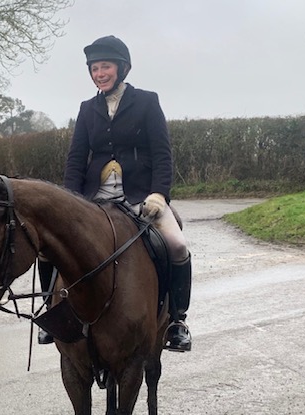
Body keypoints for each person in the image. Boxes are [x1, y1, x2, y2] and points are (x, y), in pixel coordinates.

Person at [56, 34, 192, 352]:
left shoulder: (146, 101)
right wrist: (69, 200)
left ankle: (176, 321)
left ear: (122, 68)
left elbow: (162, 154)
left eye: (105, 67)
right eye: (94, 69)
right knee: (53, 245)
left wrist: (159, 194)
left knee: (176, 244)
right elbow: (76, 159)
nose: (99, 74)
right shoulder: (87, 109)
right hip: (96, 198)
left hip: (141, 197)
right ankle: (57, 314)